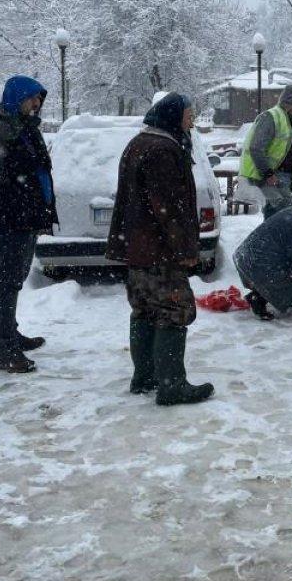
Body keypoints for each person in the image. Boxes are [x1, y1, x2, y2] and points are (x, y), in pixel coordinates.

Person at [105, 92, 214, 406]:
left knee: (144, 309)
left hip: (139, 248)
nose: (191, 123)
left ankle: (145, 377)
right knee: (173, 310)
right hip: (160, 250)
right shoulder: (163, 150)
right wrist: (185, 249)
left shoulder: (139, 143)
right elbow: (169, 208)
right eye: (188, 117)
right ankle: (171, 385)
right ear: (172, 117)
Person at [0, 76, 58, 373]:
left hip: (23, 217)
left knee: (15, 278)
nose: (37, 104)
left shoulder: (21, 125)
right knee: (7, 282)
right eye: (32, 98)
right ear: (18, 97)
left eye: (39, 99)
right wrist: (24, 200)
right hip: (7, 220)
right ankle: (4, 349)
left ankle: (11, 334)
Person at [239, 84, 292, 218]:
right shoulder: (271, 117)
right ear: (291, 102)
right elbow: (256, 147)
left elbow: (290, 152)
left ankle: (268, 232)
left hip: (281, 177)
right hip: (271, 177)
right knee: (288, 215)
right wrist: (268, 174)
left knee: (275, 216)